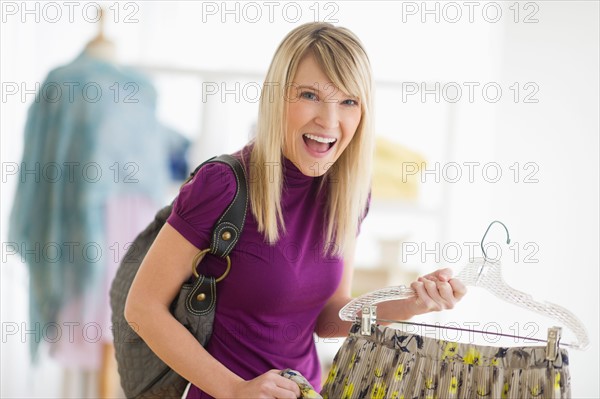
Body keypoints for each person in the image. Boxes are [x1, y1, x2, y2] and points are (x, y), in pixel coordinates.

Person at [125, 22, 467, 399]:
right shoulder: (222, 184)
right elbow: (143, 308)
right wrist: (235, 389)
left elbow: (328, 316)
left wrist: (410, 303)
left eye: (349, 101)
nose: (329, 120)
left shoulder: (349, 194)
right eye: (310, 95)